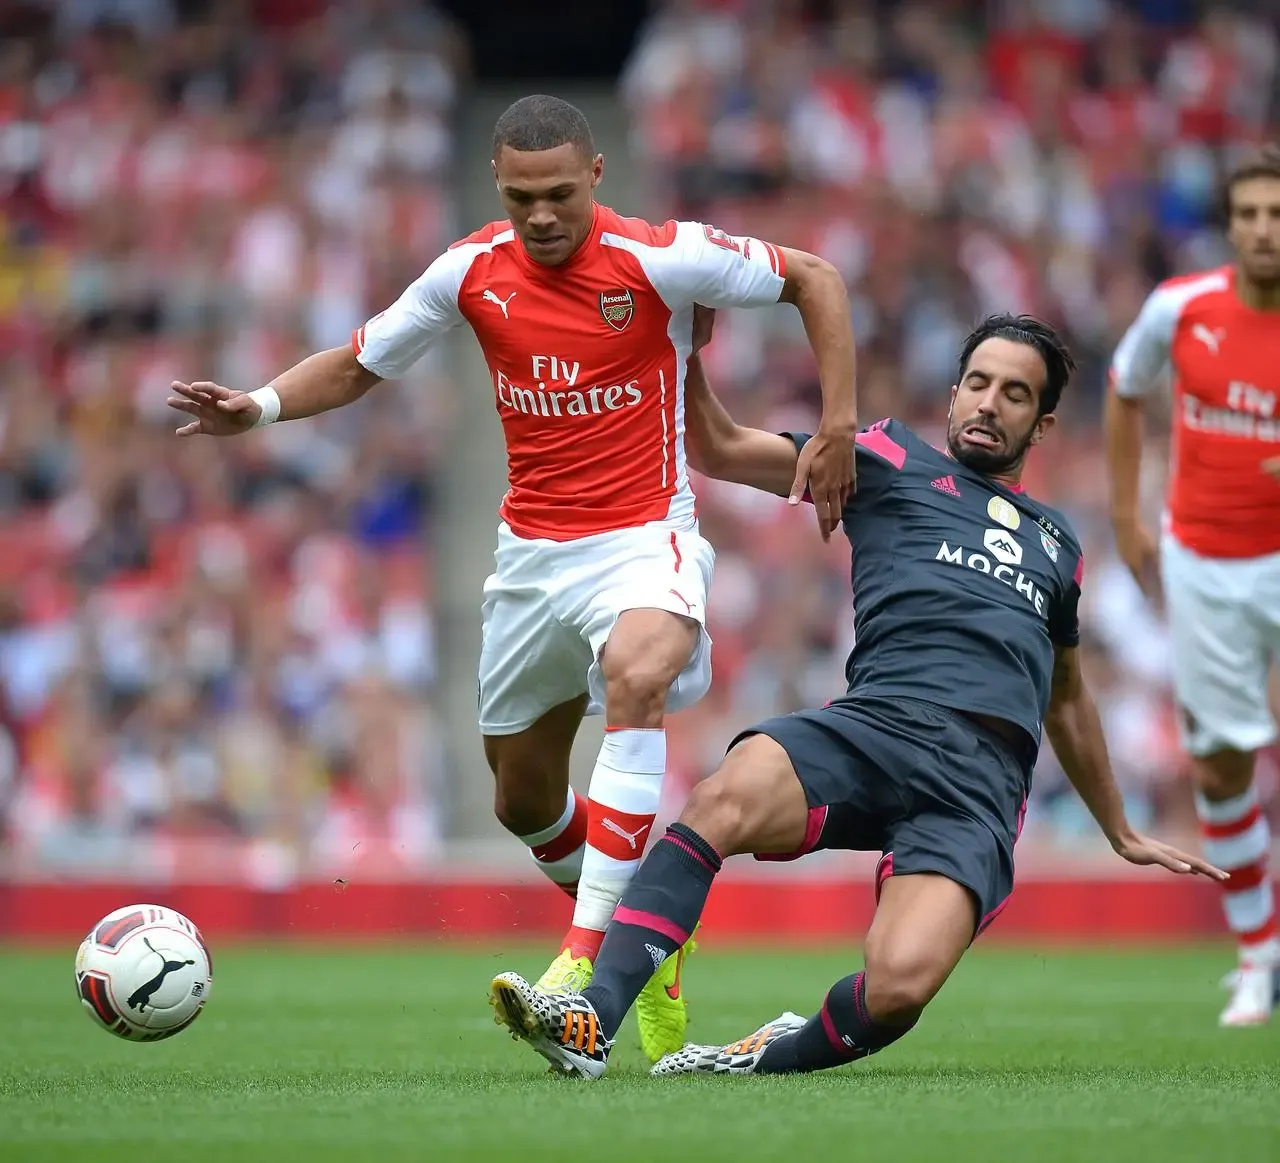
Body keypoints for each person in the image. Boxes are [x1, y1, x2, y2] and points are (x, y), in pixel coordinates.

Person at [165, 94, 857, 1062]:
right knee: (521, 800)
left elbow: (815, 278)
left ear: (597, 177)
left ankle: (583, 963)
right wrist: (263, 405)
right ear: (497, 183)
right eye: (523, 195)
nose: (542, 215)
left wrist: (833, 426)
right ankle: (653, 943)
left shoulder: (660, 256)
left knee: (638, 670)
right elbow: (363, 361)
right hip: (531, 558)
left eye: (560, 194)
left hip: (641, 537)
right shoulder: (469, 270)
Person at [487, 313, 1226, 1078]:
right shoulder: (883, 457)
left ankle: (755, 1057)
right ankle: (591, 1020)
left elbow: (1066, 696)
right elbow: (715, 445)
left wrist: (1118, 828)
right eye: (977, 383)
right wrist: (680, 338)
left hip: (976, 784)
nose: (988, 403)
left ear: (1039, 426)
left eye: (1013, 394)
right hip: (874, 725)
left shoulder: (1059, 545)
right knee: (721, 800)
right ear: (951, 395)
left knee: (899, 988)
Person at [1105, 144, 1280, 1027]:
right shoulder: (1181, 309)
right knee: (1220, 763)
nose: (1262, 229)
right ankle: (1258, 954)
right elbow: (1125, 389)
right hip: (1205, 562)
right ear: (1230, 222)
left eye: (1275, 214)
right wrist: (1129, 519)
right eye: (1249, 213)